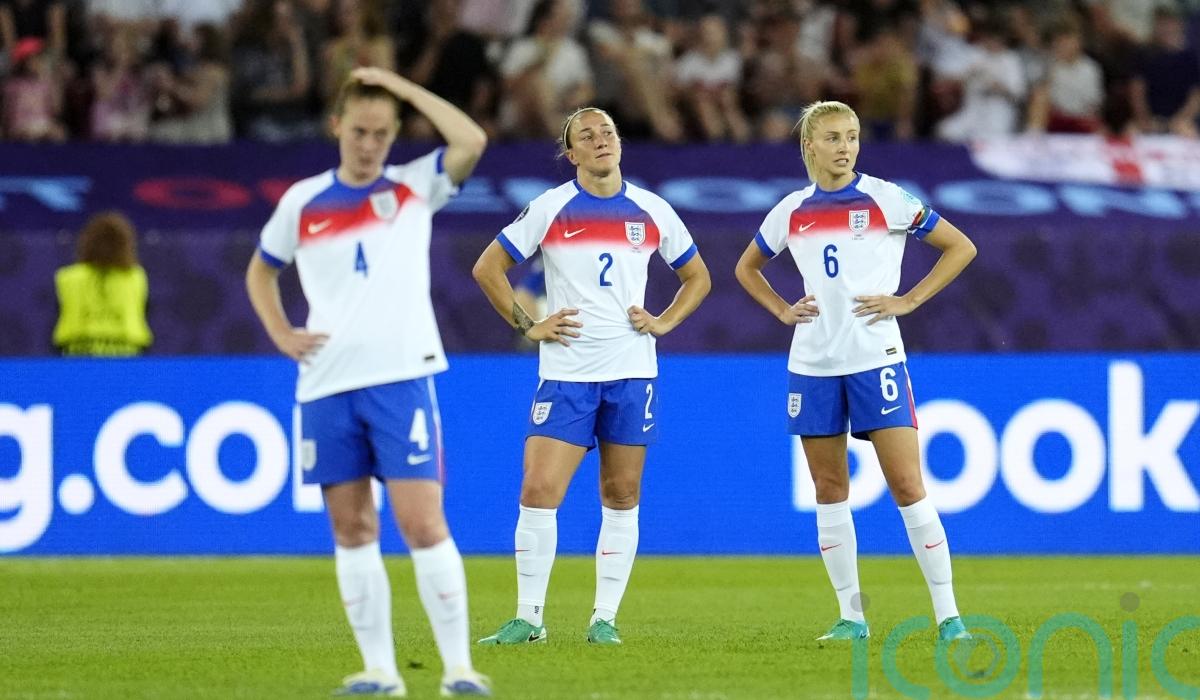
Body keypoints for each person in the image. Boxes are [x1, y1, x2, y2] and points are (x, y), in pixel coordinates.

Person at [244, 66, 491, 697]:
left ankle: (459, 670)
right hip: (326, 384)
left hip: (400, 378)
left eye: (382, 133)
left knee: (423, 525)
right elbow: (261, 270)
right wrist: (281, 332)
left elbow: (471, 140)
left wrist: (403, 88)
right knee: (352, 530)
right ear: (336, 127)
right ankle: (380, 672)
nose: (369, 144)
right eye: (359, 131)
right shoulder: (302, 201)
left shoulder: (413, 187)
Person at [733, 100, 977, 643]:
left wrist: (908, 300)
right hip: (813, 364)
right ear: (810, 146)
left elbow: (960, 246)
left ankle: (949, 616)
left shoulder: (887, 198)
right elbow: (746, 267)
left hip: (876, 358)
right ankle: (851, 617)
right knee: (829, 488)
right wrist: (781, 310)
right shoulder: (792, 209)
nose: (845, 147)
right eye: (833, 138)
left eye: (852, 137)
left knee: (908, 485)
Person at [471, 106, 710, 646]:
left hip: (632, 372)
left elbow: (697, 276)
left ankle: (604, 619)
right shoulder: (550, 207)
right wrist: (529, 325)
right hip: (566, 375)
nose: (601, 140)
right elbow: (488, 267)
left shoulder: (653, 209)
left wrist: (664, 321)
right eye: (587, 135)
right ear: (571, 153)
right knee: (538, 488)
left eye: (608, 132)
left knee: (621, 493)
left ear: (619, 143)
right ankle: (529, 618)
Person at [53, 211, 152, 356]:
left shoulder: (67, 277)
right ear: (126, 245)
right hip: (128, 355)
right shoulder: (136, 277)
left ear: (86, 243)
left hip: (77, 354)